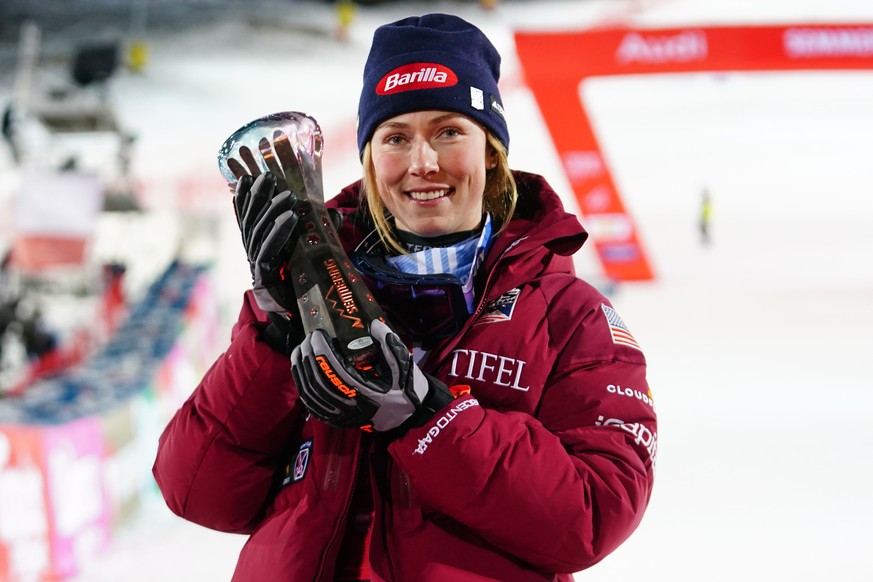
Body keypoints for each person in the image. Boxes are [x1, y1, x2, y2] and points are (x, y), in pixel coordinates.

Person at [153, 13, 657, 582]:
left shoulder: (570, 318)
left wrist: (425, 416)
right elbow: (194, 492)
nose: (422, 163)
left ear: (491, 151)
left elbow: (593, 513)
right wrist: (271, 335)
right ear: (370, 159)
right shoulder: (316, 291)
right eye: (396, 137)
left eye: (448, 131)